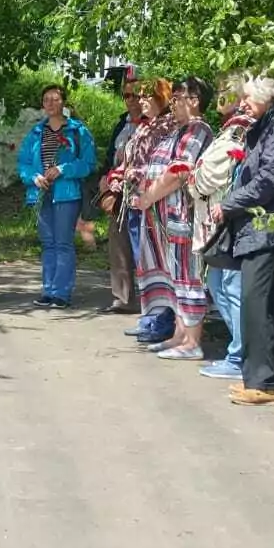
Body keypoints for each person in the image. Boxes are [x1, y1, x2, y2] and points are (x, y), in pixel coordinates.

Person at [216, 76, 274, 406]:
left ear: (268, 97)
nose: (243, 103)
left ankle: (266, 383)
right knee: (255, 306)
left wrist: (229, 203)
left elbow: (272, 179)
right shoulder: (266, 124)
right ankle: (256, 378)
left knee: (262, 306)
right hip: (258, 231)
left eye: (249, 97)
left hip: (270, 230)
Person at [133, 77, 214, 359]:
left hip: (181, 215)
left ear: (195, 100)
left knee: (186, 273)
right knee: (173, 275)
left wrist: (148, 197)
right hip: (162, 216)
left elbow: (179, 170)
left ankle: (193, 341)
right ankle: (180, 334)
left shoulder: (198, 129)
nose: (175, 102)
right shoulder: (177, 129)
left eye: (180, 97)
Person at [191, 82, 252, 380]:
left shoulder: (241, 129)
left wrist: (194, 176)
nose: (220, 96)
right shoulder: (229, 128)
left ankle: (241, 357)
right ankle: (238, 350)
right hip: (216, 220)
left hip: (229, 220)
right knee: (218, 285)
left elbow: (212, 173)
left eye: (229, 91)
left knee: (231, 287)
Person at [17, 84, 96, 308]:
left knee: (63, 243)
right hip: (42, 193)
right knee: (48, 243)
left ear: (64, 103)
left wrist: (63, 169)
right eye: (46, 100)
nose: (51, 103)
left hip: (67, 194)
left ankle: (61, 293)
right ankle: (48, 290)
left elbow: (88, 164)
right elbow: (23, 163)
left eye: (55, 99)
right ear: (42, 104)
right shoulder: (36, 132)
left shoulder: (78, 131)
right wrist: (33, 178)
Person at [122, 78, 179, 343]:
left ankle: (163, 320)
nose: (141, 101)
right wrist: (119, 175)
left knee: (160, 263)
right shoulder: (145, 125)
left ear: (162, 97)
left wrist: (136, 174)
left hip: (156, 203)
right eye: (139, 96)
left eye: (148, 96)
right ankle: (150, 316)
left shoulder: (169, 125)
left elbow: (165, 165)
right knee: (142, 261)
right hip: (135, 200)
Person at [102, 70, 141, 314]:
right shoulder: (121, 123)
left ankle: (153, 301)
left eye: (136, 95)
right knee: (118, 243)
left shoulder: (156, 123)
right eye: (127, 96)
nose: (131, 100)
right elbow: (109, 157)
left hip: (143, 192)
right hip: (118, 190)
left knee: (144, 247)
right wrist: (106, 181)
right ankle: (123, 297)